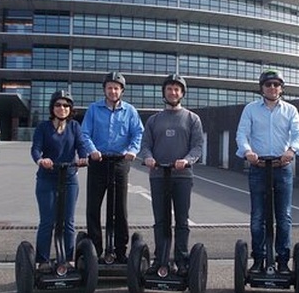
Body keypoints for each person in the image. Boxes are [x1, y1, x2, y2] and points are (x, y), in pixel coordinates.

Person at [235, 69, 299, 274]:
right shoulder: (250, 109)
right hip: (258, 168)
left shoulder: (290, 110)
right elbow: (242, 134)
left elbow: (298, 134)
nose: (272, 88)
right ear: (262, 88)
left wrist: (292, 150)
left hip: (281, 168)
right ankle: (258, 259)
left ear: (281, 88)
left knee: (284, 216)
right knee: (258, 216)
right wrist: (247, 151)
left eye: (276, 84)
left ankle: (282, 261)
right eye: (268, 85)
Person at [139, 74, 205, 275]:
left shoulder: (192, 118)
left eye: (177, 89)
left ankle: (182, 260)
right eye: (169, 89)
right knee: (161, 220)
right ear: (164, 92)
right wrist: (148, 158)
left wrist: (187, 160)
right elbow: (145, 145)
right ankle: (160, 259)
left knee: (182, 220)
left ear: (182, 93)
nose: (173, 92)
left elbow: (197, 146)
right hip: (158, 175)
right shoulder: (154, 120)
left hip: (182, 176)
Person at [81, 71, 144, 262]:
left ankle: (119, 250)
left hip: (119, 162)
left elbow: (137, 133)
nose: (113, 91)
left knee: (120, 209)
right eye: (109, 87)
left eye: (116, 88)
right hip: (98, 162)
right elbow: (84, 134)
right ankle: (95, 249)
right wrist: (92, 150)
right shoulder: (93, 109)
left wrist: (133, 150)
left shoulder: (130, 111)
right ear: (104, 90)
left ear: (122, 91)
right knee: (93, 207)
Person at [29, 90, 90, 271]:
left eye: (65, 105)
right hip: (47, 178)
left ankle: (67, 260)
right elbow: (36, 149)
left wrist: (84, 158)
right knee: (47, 221)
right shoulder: (43, 127)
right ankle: (43, 261)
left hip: (69, 177)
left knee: (68, 221)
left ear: (70, 109)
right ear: (52, 107)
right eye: (58, 105)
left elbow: (81, 146)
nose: (62, 108)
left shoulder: (74, 127)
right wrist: (41, 160)